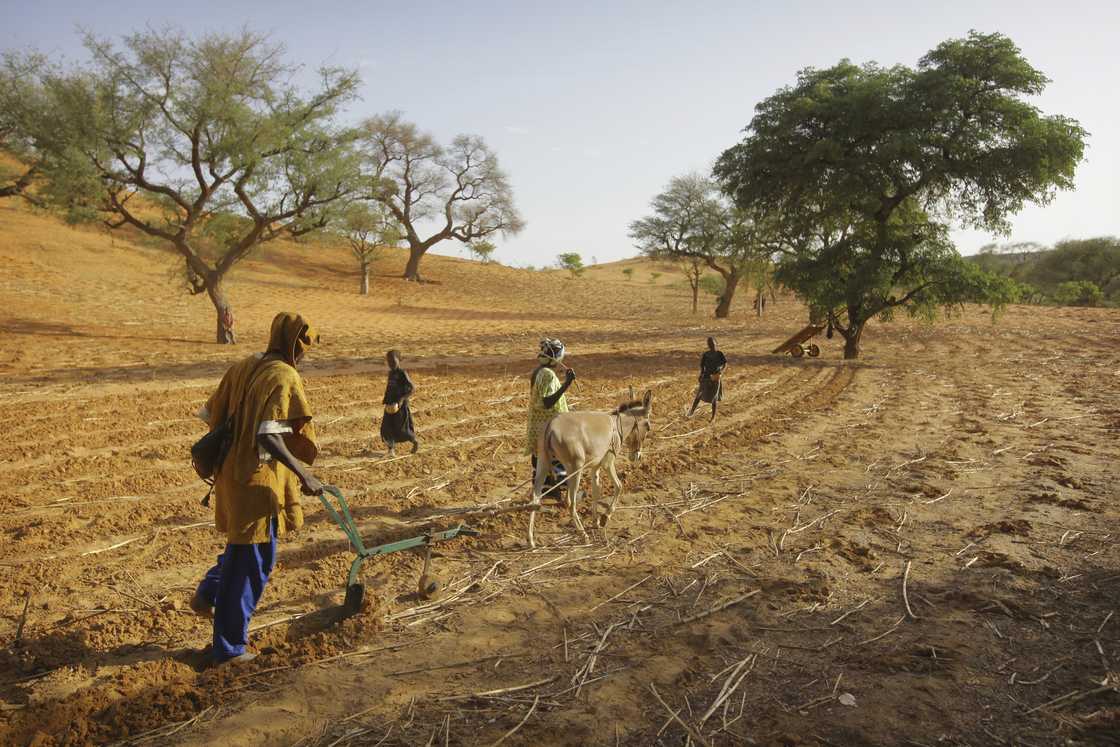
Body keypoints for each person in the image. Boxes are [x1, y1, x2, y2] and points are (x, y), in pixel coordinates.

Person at [189, 312, 324, 665]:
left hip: (229, 474)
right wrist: (304, 475)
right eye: (305, 346)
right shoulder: (284, 376)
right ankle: (229, 649)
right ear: (295, 345)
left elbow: (209, 415)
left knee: (241, 548)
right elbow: (268, 435)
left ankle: (208, 592)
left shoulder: (244, 366)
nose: (305, 354)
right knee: (253, 562)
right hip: (256, 480)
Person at [526, 338, 576, 500]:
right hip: (548, 427)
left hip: (538, 424)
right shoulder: (547, 375)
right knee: (559, 457)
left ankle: (546, 491)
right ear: (557, 358)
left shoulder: (539, 371)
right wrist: (567, 384)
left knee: (541, 460)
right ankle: (559, 490)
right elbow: (547, 402)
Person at [380, 349, 418, 455]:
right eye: (389, 361)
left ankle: (415, 441)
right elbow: (389, 388)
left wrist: (401, 400)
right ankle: (391, 450)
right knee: (386, 427)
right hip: (390, 404)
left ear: (399, 360)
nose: (391, 363)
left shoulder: (402, 373)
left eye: (393, 361)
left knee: (402, 429)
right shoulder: (391, 373)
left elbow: (412, 388)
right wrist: (386, 400)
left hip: (400, 406)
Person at [688, 336, 727, 422]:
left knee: (714, 398)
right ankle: (691, 412)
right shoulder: (706, 354)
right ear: (708, 345)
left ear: (716, 343)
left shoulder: (719, 354)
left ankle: (713, 417)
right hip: (706, 376)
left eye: (712, 343)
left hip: (715, 377)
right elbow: (702, 366)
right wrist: (701, 374)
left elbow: (725, 364)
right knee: (699, 394)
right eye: (709, 343)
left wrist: (720, 372)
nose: (711, 345)